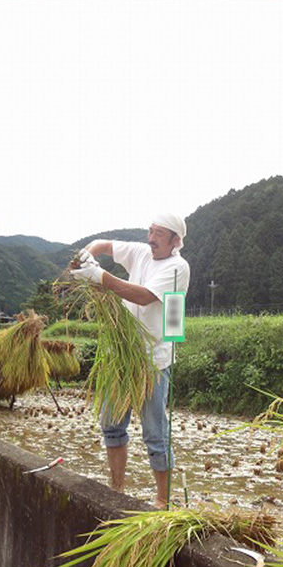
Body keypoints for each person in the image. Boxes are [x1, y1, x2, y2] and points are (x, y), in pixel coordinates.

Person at [71, 214, 190, 509]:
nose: (151, 239)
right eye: (150, 231)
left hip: (153, 362)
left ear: (176, 241)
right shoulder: (141, 251)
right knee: (111, 424)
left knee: (155, 432)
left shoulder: (178, 267)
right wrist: (86, 255)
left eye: (159, 234)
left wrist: (99, 277)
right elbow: (103, 244)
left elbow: (144, 297)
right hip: (120, 356)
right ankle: (117, 489)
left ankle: (162, 500)